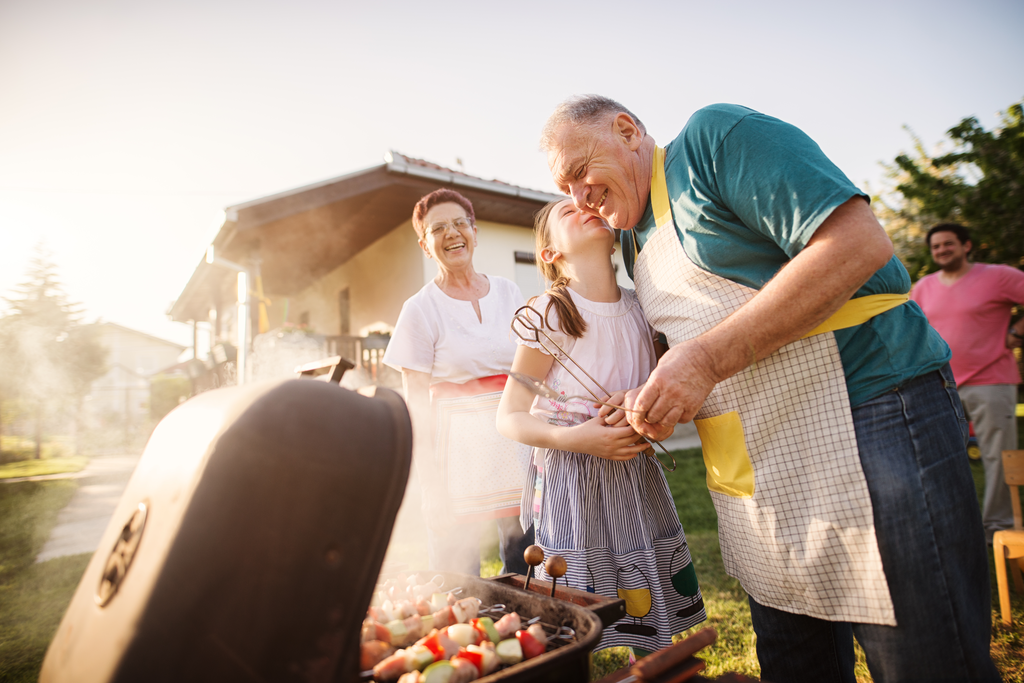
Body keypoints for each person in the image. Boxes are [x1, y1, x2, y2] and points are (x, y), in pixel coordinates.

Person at [542, 95, 999, 682]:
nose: (579, 198)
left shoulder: (714, 140)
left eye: (580, 173)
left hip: (871, 415)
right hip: (757, 475)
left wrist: (705, 361)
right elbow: (692, 336)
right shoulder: (631, 241)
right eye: (565, 188)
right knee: (794, 663)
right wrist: (649, 395)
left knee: (921, 658)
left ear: (628, 131)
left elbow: (858, 244)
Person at [495, 198, 706, 655]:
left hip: (633, 476)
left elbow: (659, 403)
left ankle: (652, 664)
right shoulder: (551, 314)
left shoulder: (643, 311)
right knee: (572, 599)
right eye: (566, 214)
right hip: (571, 479)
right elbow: (508, 416)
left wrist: (646, 418)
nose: (581, 207)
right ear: (551, 255)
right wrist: (576, 438)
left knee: (642, 578)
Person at [382, 188, 534, 576]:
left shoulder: (507, 291)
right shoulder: (419, 309)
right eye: (438, 228)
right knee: (458, 578)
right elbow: (416, 405)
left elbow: (528, 369)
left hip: (513, 446)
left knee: (525, 567)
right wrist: (431, 486)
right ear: (425, 244)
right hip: (456, 456)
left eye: (459, 223)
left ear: (474, 232)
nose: (451, 233)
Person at [910, 223, 1024, 542]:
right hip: (940, 384)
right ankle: (954, 529)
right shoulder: (923, 287)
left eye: (949, 244)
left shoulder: (998, 276)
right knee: (940, 458)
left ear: (967, 245)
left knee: (999, 457)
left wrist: (1016, 333)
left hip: (992, 380)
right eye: (936, 247)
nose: (942, 250)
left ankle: (999, 528)